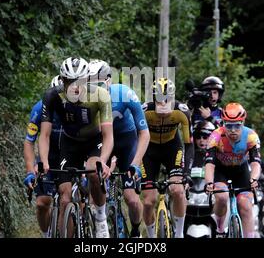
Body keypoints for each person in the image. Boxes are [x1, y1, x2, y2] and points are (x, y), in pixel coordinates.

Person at [38, 57, 113, 238]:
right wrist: (45, 162)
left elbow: (108, 135)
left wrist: (103, 161)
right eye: (70, 82)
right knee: (64, 198)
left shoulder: (101, 96)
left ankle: (101, 219)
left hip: (94, 141)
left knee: (93, 171)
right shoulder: (52, 96)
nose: (75, 87)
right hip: (69, 142)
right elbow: (45, 135)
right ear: (62, 81)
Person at [88, 59, 150, 238]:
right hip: (102, 142)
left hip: (126, 143)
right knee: (94, 186)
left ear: (108, 81)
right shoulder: (85, 99)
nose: (94, 89)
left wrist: (135, 164)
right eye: (90, 84)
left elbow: (144, 134)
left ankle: (136, 230)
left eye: (98, 83)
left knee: (131, 198)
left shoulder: (125, 94)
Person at [141, 78, 194, 238]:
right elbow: (135, 139)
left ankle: (179, 234)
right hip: (148, 150)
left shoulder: (182, 111)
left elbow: (189, 144)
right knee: (149, 200)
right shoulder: (144, 110)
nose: (163, 104)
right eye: (159, 100)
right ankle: (151, 237)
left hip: (172, 148)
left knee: (177, 190)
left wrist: (187, 173)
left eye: (167, 99)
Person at [204, 102, 261, 238]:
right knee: (222, 197)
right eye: (229, 125)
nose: (233, 130)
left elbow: (255, 163)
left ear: (243, 122)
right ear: (223, 123)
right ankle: (219, 229)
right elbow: (210, 165)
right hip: (221, 170)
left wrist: (254, 179)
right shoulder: (215, 137)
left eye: (237, 125)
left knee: (245, 205)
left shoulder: (251, 136)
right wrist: (209, 183)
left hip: (241, 171)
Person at [23, 75, 62, 238]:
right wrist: (30, 171)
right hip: (49, 156)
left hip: (71, 154)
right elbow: (29, 142)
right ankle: (47, 235)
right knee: (42, 203)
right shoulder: (39, 109)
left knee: (76, 201)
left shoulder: (75, 108)